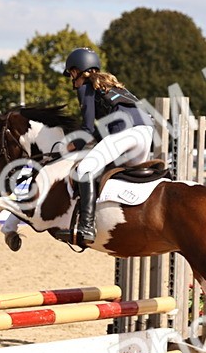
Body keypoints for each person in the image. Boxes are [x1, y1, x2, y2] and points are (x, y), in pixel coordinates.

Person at [62, 47, 153, 246]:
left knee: (85, 169)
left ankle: (86, 225)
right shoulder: (113, 86)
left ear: (78, 71)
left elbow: (87, 128)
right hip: (146, 133)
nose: (72, 80)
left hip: (125, 134)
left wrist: (71, 147)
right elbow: (102, 130)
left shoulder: (86, 87)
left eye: (71, 74)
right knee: (120, 175)